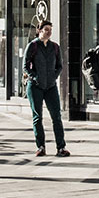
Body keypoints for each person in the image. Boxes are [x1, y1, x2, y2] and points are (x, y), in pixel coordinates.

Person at [25, 20, 68, 158]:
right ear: (39, 30)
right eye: (46, 29)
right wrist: (35, 77)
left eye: (50, 29)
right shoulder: (32, 46)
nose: (49, 32)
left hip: (50, 86)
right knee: (37, 117)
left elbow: (60, 66)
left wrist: (53, 77)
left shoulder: (55, 47)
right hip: (35, 87)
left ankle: (61, 147)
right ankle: (41, 147)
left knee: (56, 116)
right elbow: (25, 66)